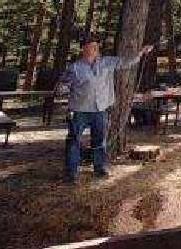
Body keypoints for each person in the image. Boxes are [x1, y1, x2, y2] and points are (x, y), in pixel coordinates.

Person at [56, 36, 153, 183]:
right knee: (73, 141)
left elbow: (126, 62)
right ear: (84, 48)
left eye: (96, 46)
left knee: (99, 140)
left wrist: (141, 52)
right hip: (78, 110)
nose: (95, 49)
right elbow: (62, 85)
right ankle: (71, 174)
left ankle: (99, 168)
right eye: (91, 46)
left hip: (99, 109)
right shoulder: (74, 67)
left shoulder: (106, 62)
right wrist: (62, 88)